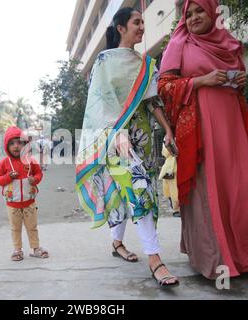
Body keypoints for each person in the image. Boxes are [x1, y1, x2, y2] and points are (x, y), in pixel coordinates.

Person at [158, 0, 248, 282]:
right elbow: (163, 87)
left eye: (200, 11)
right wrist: (201, 81)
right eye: (189, 13)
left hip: (233, 126)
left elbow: (237, 79)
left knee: (244, 190)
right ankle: (216, 261)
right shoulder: (180, 44)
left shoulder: (228, 43)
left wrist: (241, 82)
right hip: (200, 130)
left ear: (213, 13)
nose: (194, 17)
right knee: (210, 193)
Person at [75, 7, 179, 288]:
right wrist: (116, 133)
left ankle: (117, 243)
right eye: (137, 22)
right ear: (120, 28)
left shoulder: (146, 64)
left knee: (124, 193)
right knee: (140, 189)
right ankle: (155, 260)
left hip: (142, 136)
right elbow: (100, 100)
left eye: (144, 22)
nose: (142, 26)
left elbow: (152, 101)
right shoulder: (104, 60)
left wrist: (168, 130)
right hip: (113, 137)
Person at [0, 126, 48, 261]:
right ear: (7, 146)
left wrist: (35, 179)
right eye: (12, 143)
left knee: (32, 227)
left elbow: (39, 173)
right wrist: (8, 177)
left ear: (25, 144)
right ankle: (17, 250)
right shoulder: (4, 163)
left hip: (29, 203)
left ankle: (35, 248)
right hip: (13, 204)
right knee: (15, 228)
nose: (16, 146)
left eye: (19, 142)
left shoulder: (30, 160)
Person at [158, 144, 180, 217]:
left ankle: (178, 207)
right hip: (170, 167)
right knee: (172, 189)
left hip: (179, 164)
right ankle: (176, 209)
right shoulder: (167, 138)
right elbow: (165, 153)